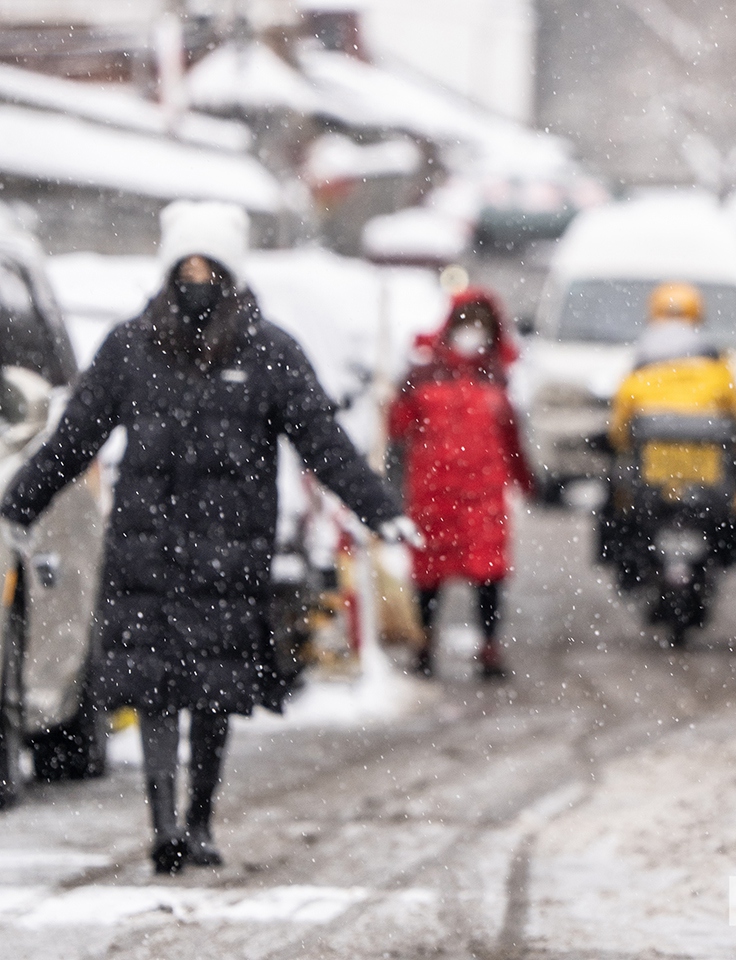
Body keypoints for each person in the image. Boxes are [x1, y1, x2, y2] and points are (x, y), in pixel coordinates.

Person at [0, 200, 415, 875]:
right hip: (148, 553)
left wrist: (378, 508)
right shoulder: (130, 348)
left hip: (230, 556)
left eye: (209, 267)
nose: (196, 279)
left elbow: (323, 441)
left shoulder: (269, 352)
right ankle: (165, 824)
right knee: (160, 691)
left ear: (231, 272)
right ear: (168, 272)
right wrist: (18, 503)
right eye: (185, 267)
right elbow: (73, 439)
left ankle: (200, 819)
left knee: (213, 698)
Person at [387, 288, 534, 680]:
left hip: (484, 493)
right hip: (433, 492)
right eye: (466, 325)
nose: (472, 334)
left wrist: (526, 480)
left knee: (488, 574)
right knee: (429, 574)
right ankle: (424, 644)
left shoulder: (497, 377)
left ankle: (489, 648)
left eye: (480, 327)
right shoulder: (421, 376)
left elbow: (511, 437)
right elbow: (396, 428)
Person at [602, 281, 736, 569]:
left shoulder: (638, 371)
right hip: (710, 489)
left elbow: (619, 431)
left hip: (651, 490)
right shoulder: (718, 367)